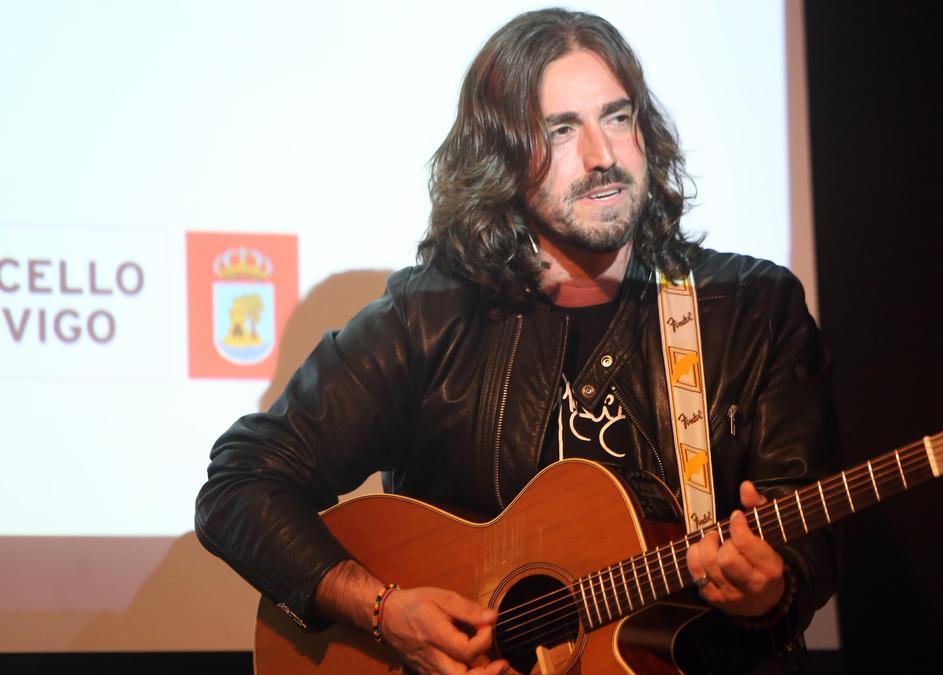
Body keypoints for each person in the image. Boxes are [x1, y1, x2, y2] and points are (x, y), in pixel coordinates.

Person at [195, 8, 840, 674]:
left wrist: (769, 590)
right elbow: (239, 485)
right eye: (562, 130)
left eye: (617, 118)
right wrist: (384, 609)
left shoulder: (751, 309)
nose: (602, 156)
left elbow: (807, 545)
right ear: (501, 156)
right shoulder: (430, 315)